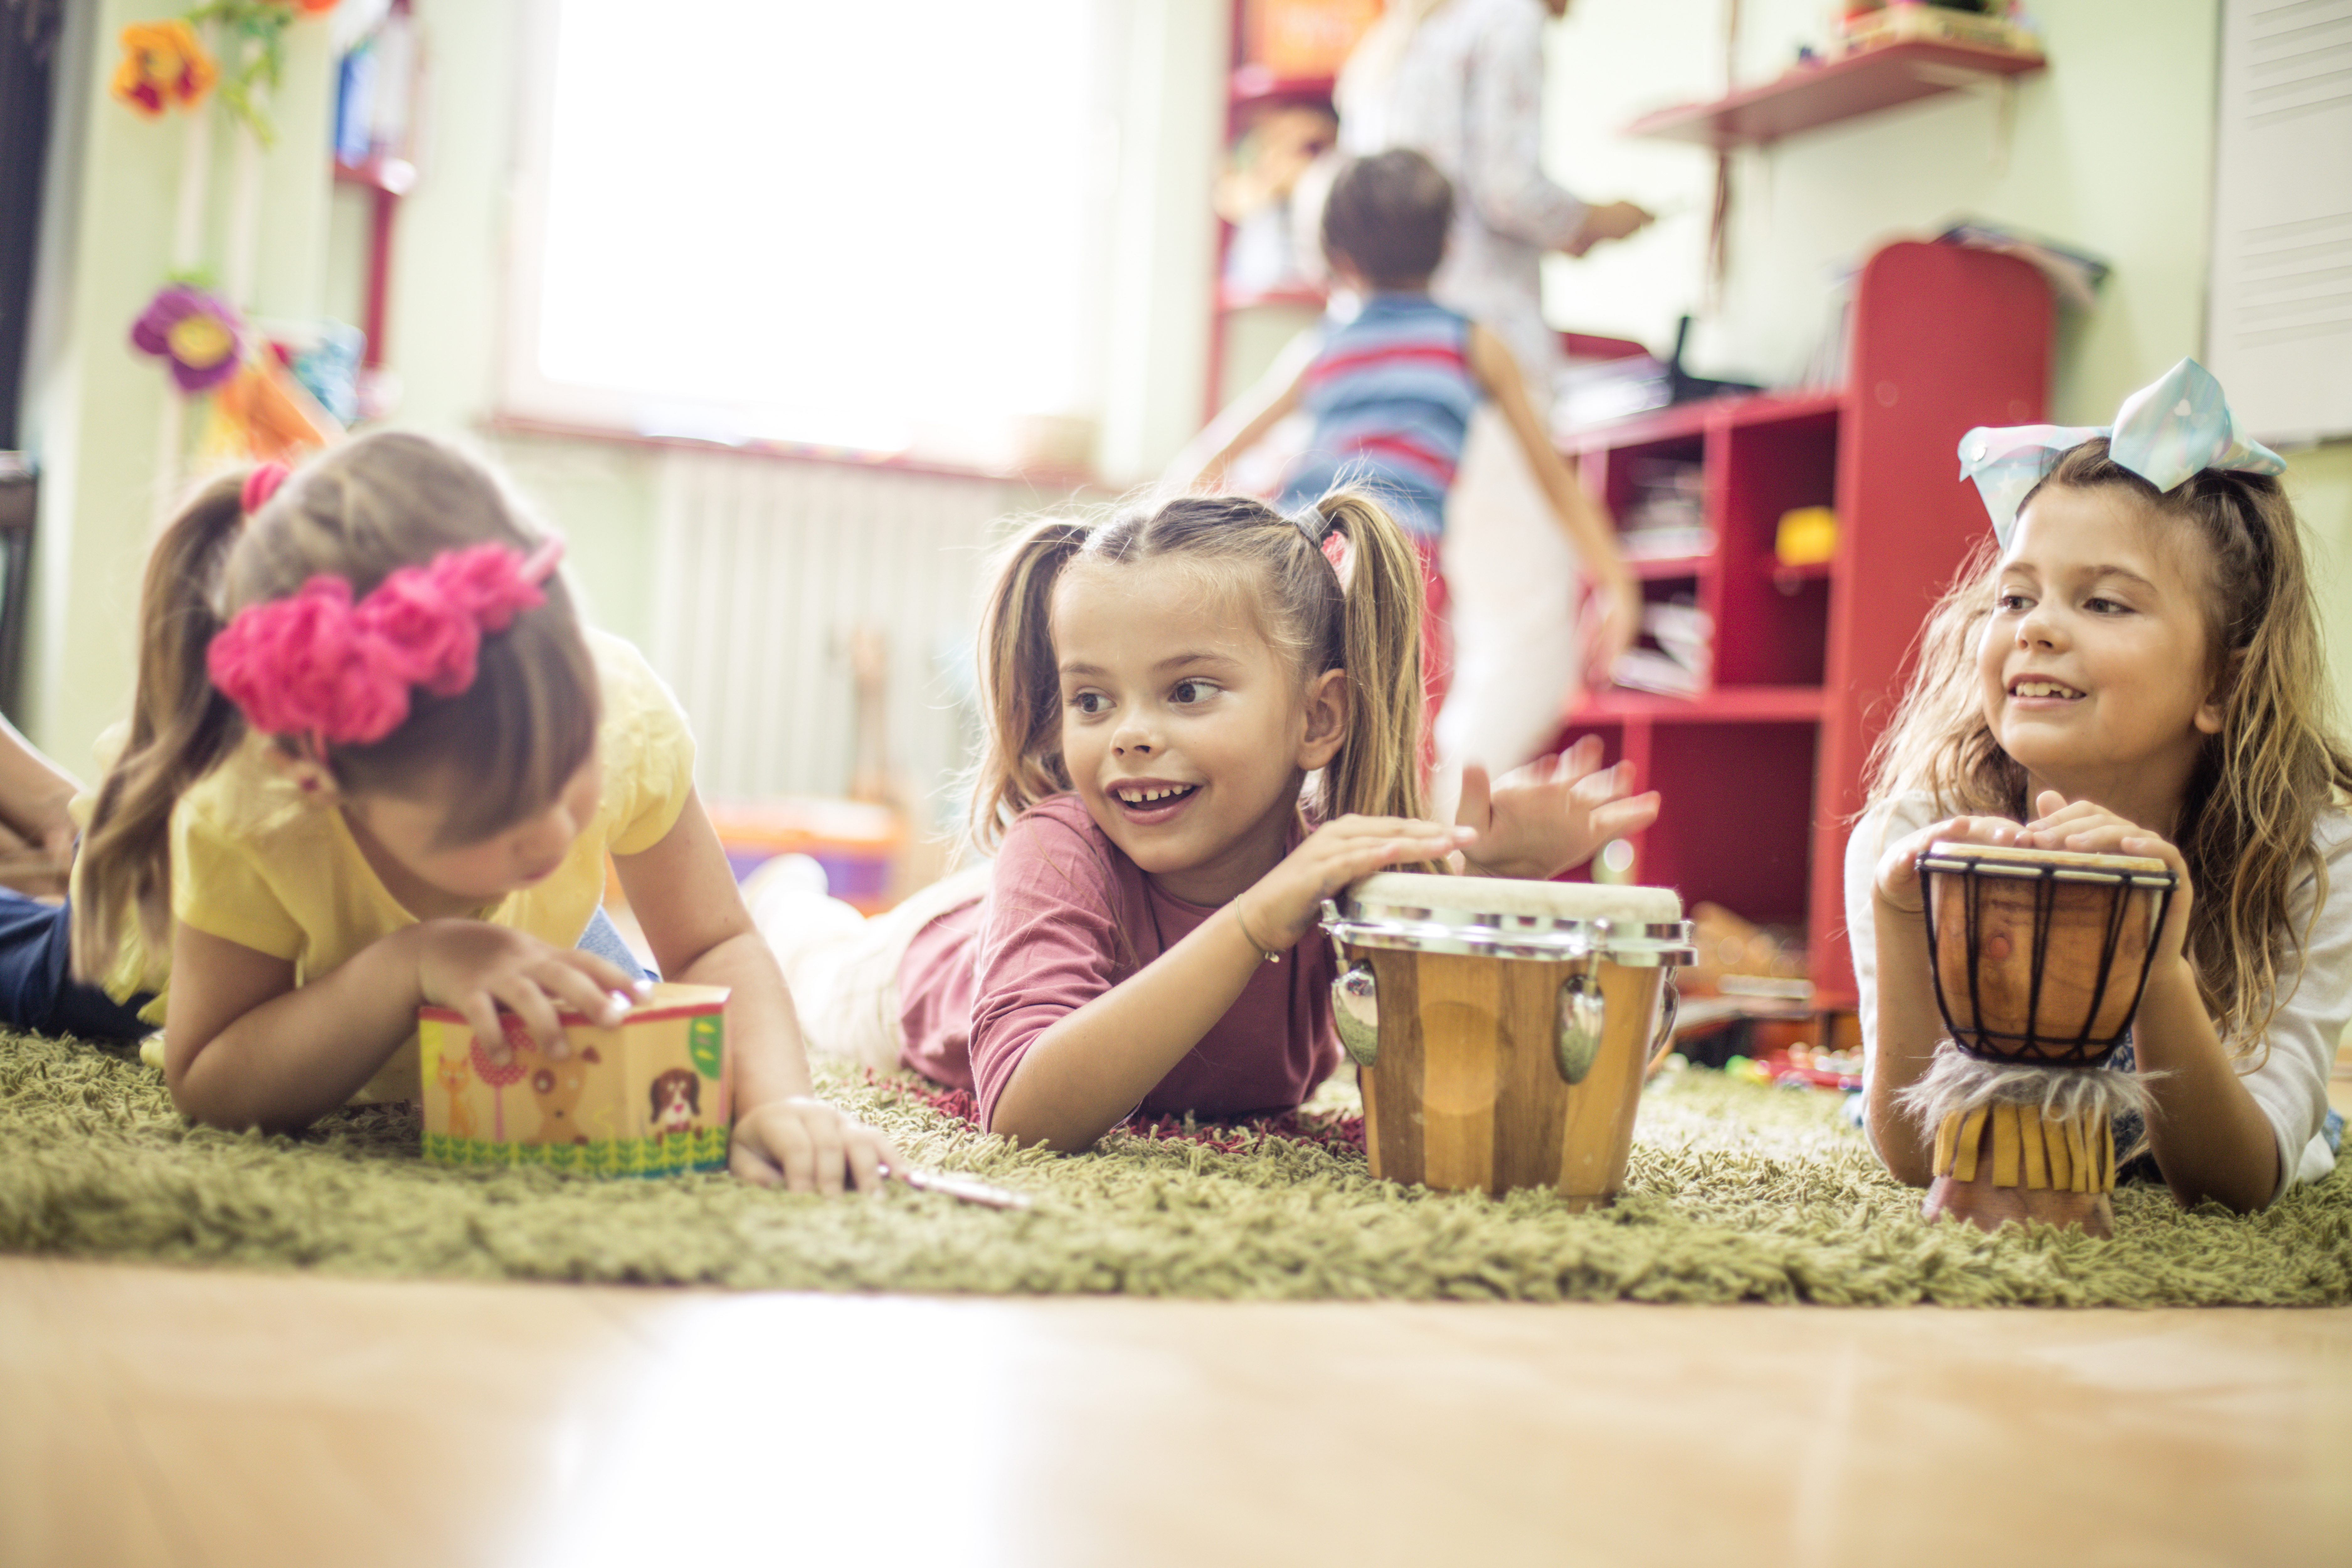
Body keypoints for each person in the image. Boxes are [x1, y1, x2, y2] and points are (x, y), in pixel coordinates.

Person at [68, 432, 898, 1193]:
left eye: (568, 775)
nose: (555, 833)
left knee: (629, 1019)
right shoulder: (249, 810)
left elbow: (715, 942)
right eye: (496, 821)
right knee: (57, 965)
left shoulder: (620, 715)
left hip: (537, 936)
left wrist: (779, 1104)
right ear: (328, 780)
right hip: (206, 951)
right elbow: (211, 1081)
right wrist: (412, 964)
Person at [787, 487, 1658, 1150]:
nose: (1128, 734)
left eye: (1187, 692)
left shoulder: (1343, 879)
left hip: (1031, 914)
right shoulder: (1055, 845)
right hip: (912, 966)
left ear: (1318, 719)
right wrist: (1251, 923)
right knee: (802, 964)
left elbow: (1474, 1068)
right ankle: (788, 908)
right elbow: (1023, 1110)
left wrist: (1493, 882)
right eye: (1091, 699)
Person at [1848, 359, 2349, 1214]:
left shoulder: (2310, 851)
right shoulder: (1918, 827)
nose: (2036, 628)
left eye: (2104, 605)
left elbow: (2238, 1181)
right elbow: (1913, 1154)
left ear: (2221, 687)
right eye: (2014, 599)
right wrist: (1902, 916)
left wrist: (2151, 959)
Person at [1192, 150, 1638, 747]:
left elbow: (1206, 460)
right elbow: (1553, 478)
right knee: (1397, 743)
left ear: (1336, 258)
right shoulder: (1472, 343)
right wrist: (1618, 583)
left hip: (1295, 551)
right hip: (1399, 560)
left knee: (1287, 734)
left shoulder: (1323, 346)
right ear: (1449, 247)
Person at [1329, 0, 1654, 819]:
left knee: (1422, 633)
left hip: (1377, 356)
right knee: (1527, 637)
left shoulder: (1393, 43)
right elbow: (1511, 189)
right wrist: (1598, 222)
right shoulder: (1503, 21)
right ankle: (1427, 832)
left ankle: (1387, 821)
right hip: (1477, 347)